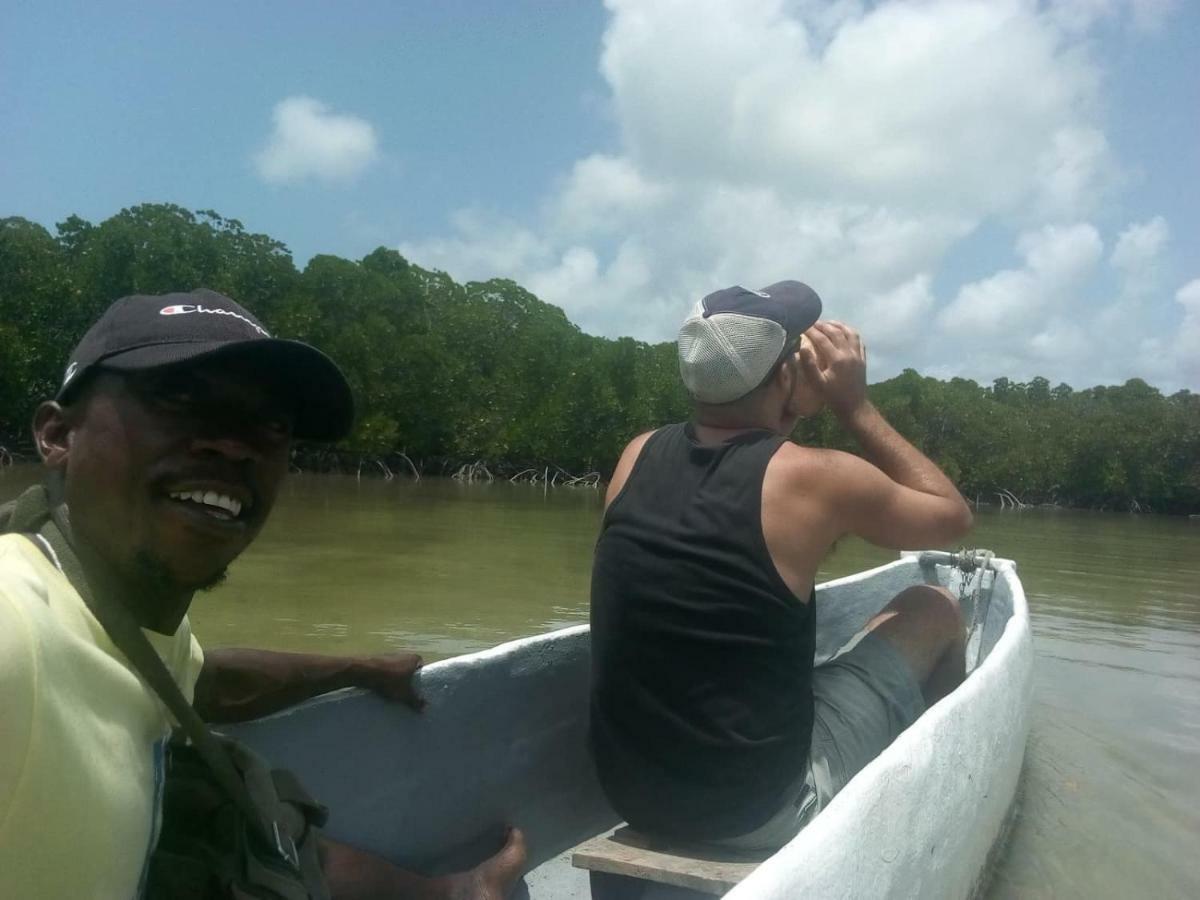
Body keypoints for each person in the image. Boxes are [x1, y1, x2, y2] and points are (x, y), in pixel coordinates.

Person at [0, 289, 526, 898]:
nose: (233, 443)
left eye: (271, 425)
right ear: (56, 435)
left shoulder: (113, 616)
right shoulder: (17, 628)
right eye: (177, 397)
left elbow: (202, 679)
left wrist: (361, 668)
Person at [589, 281, 974, 850]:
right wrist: (853, 406)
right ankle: (930, 811)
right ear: (786, 375)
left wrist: (785, 406)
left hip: (632, 795)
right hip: (757, 810)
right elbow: (952, 517)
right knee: (934, 606)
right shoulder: (817, 479)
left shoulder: (636, 454)